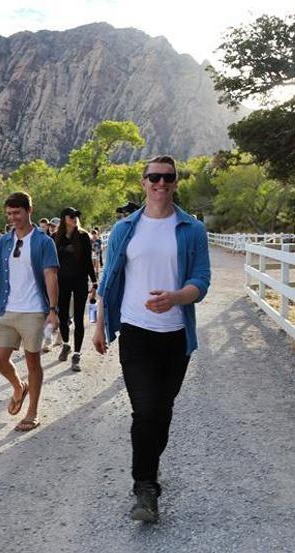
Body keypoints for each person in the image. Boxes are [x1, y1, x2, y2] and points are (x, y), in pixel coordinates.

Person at [93, 155, 211, 523]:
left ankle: (150, 469)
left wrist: (175, 298)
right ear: (143, 182)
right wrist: (99, 324)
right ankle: (145, 487)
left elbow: (202, 281)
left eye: (168, 178)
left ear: (176, 183)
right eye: (154, 177)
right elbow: (109, 278)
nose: (161, 183)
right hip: (135, 331)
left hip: (175, 336)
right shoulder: (126, 228)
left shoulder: (191, 229)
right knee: (145, 411)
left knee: (161, 411)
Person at [0, 192, 59, 432]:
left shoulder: (43, 242)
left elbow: (51, 276)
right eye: (8, 214)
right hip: (7, 308)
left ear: (29, 210)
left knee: (32, 362)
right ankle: (19, 387)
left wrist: (52, 309)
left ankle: (32, 412)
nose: (12, 218)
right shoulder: (4, 241)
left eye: (17, 213)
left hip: (33, 311)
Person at [53, 207, 97, 371]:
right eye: (71, 216)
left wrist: (94, 282)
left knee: (79, 319)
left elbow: (87, 261)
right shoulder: (55, 237)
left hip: (79, 281)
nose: (75, 218)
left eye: (77, 216)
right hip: (62, 282)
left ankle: (77, 354)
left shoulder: (84, 236)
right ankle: (65, 344)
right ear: (64, 218)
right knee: (62, 316)